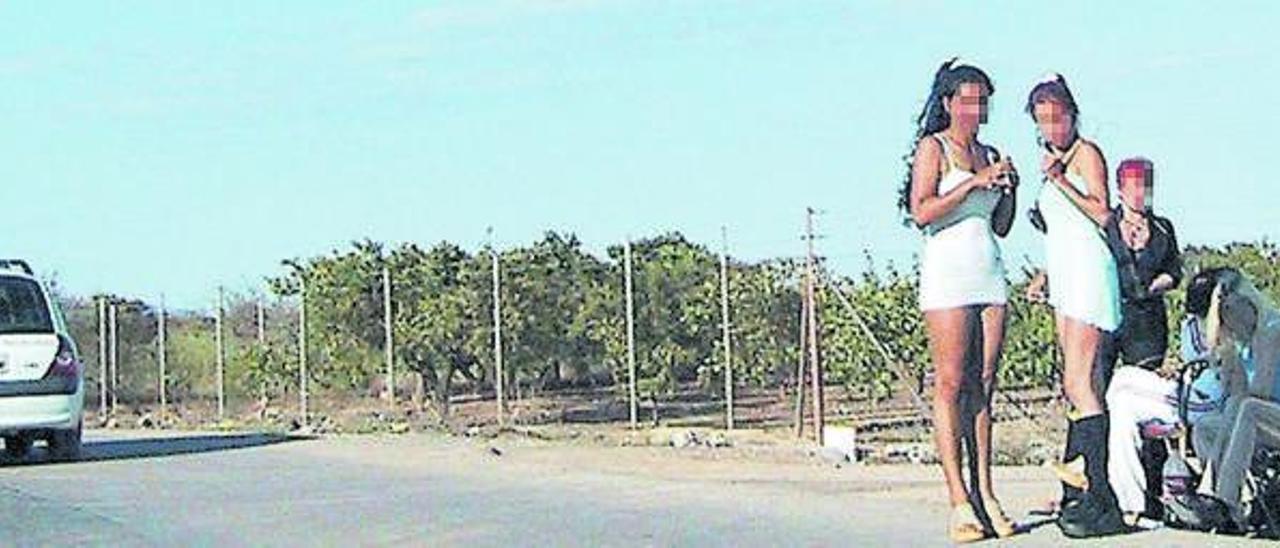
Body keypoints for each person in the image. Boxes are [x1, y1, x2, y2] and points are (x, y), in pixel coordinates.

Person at [900, 58, 1018, 542]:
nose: (974, 109)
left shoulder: (989, 150)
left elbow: (1003, 225)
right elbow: (921, 212)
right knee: (950, 382)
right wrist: (972, 182)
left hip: (989, 272)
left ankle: (986, 491)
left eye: (981, 101)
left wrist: (1008, 187)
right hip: (948, 275)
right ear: (948, 103)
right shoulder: (935, 148)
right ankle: (957, 499)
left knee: (983, 384)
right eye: (966, 100)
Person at [1023, 73, 1128, 537]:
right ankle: (1080, 484)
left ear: (1072, 115)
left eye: (1057, 118)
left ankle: (1101, 494)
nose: (1051, 128)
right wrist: (1045, 275)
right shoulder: (1054, 159)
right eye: (1042, 121)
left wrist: (1061, 180)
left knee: (1081, 380)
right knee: (1076, 384)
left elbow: (1103, 212)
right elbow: (1062, 230)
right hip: (1066, 276)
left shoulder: (1085, 154)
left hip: (1089, 276)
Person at [1097, 157, 1186, 520]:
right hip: (1110, 315)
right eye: (1132, 185)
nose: (1139, 193)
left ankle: (1150, 493)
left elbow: (1175, 270)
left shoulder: (1163, 228)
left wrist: (1158, 284)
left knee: (1141, 401)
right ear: (1120, 189)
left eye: (1145, 185)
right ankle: (1100, 486)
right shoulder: (1106, 226)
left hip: (1147, 319)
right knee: (1101, 395)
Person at [1188, 267, 1280, 529]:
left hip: (1270, 415)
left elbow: (1259, 393)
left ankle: (1225, 501)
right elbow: (1235, 395)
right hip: (1267, 422)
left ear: (1247, 303)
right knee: (1205, 426)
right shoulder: (1241, 344)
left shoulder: (1273, 330)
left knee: (1247, 407)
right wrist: (1230, 360)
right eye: (1223, 313)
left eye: (1229, 309)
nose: (1228, 318)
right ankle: (1221, 503)